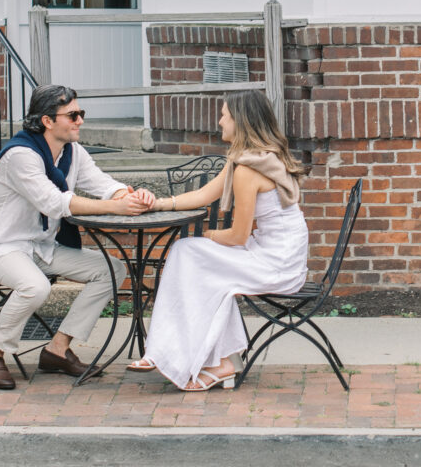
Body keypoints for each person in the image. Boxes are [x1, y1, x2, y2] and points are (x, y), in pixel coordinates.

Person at [0, 83, 154, 390]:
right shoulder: (20, 155)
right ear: (47, 121)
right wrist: (114, 207)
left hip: (43, 249)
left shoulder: (73, 153)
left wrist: (132, 196)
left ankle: (58, 349)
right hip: (3, 250)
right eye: (72, 115)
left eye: (80, 113)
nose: (80, 120)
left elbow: (102, 183)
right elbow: (53, 202)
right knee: (35, 286)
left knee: (111, 269)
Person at [128, 90, 308, 391]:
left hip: (276, 264)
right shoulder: (254, 158)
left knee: (188, 254)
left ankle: (174, 354)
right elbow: (203, 195)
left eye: (225, 114)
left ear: (241, 121)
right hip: (280, 255)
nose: (220, 120)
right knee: (193, 262)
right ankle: (219, 360)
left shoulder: (248, 170)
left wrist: (209, 235)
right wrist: (158, 203)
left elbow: (237, 237)